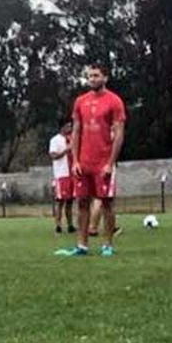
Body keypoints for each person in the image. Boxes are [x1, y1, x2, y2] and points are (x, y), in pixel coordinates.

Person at [63, 64, 126, 257]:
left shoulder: (114, 101)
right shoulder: (80, 101)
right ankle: (82, 245)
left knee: (107, 203)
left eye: (96, 75)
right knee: (82, 203)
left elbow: (119, 134)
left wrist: (110, 162)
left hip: (103, 162)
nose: (92, 79)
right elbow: (76, 131)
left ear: (105, 78)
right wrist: (75, 161)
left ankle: (107, 245)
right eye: (90, 76)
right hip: (84, 162)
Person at [49, 119, 76, 234]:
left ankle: (70, 225)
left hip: (72, 173)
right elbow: (53, 155)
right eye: (68, 126)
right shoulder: (55, 140)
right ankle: (58, 225)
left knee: (70, 201)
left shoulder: (72, 139)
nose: (70, 128)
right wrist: (66, 150)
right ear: (62, 127)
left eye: (70, 126)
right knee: (61, 201)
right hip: (62, 174)